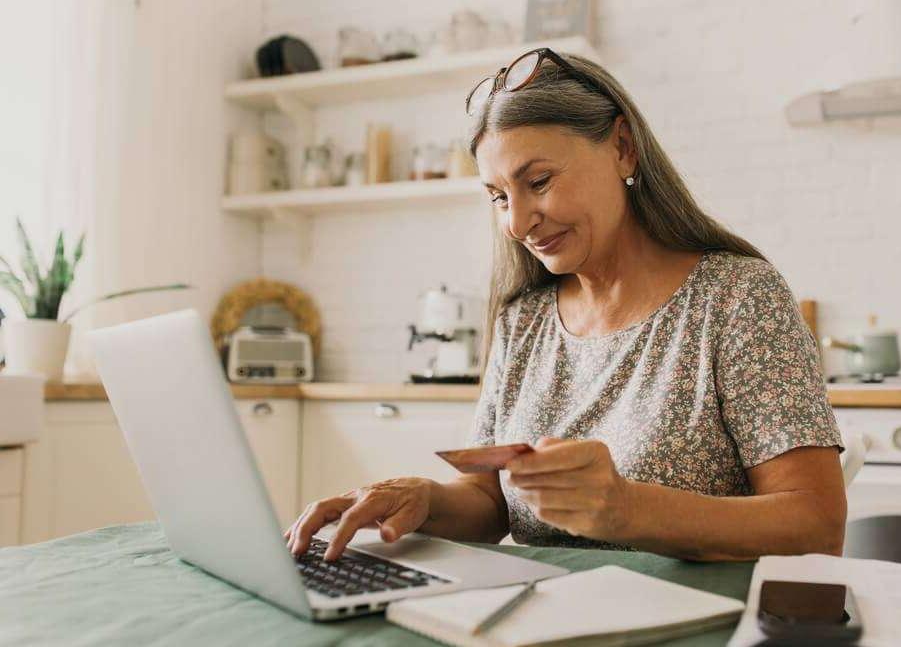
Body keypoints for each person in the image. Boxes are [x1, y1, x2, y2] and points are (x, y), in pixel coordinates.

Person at [285, 48, 846, 562]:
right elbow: (492, 504)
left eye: (540, 181)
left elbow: (815, 525)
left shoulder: (736, 297)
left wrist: (627, 508)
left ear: (623, 149)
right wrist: (421, 499)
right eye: (500, 196)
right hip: (541, 615)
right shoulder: (523, 319)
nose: (516, 221)